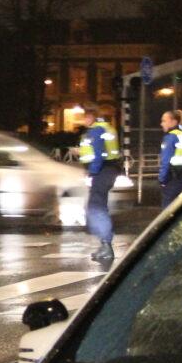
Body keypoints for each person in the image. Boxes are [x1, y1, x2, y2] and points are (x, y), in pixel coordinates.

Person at [77, 109, 120, 264]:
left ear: (90, 117)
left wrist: (92, 172)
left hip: (102, 171)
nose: (83, 121)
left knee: (96, 207)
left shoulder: (97, 130)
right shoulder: (108, 127)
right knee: (97, 206)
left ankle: (107, 245)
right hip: (109, 170)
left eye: (84, 118)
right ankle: (104, 244)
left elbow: (98, 154)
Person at [158, 108, 182, 210]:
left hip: (174, 179)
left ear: (173, 122)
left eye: (164, 121)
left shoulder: (171, 137)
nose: (162, 124)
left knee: (167, 212)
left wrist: (162, 180)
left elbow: (165, 161)